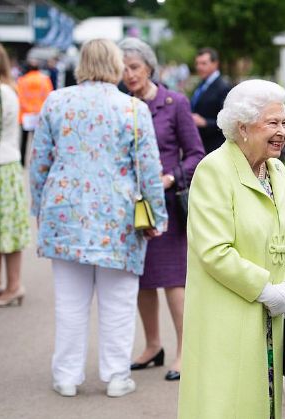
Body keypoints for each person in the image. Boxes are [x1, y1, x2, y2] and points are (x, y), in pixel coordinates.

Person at [29, 38, 168, 398]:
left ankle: (66, 376)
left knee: (70, 304)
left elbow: (40, 163)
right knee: (119, 303)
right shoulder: (133, 109)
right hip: (118, 219)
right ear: (117, 64)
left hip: (65, 215)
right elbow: (149, 169)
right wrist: (158, 215)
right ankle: (116, 375)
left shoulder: (56, 102)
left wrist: (39, 208)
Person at [178, 79, 285, 419]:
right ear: (242, 127)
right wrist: (263, 289)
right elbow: (214, 250)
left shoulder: (276, 170)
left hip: (270, 315)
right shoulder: (213, 170)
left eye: (284, 122)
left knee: (265, 402)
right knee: (227, 403)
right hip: (228, 315)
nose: (283, 131)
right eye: (273, 123)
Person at [119, 37, 205, 382]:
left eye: (135, 67)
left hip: (166, 205)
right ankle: (153, 345)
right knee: (141, 280)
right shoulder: (120, 104)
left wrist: (171, 178)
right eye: (123, 68)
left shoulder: (175, 103)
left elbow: (196, 153)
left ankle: (185, 351)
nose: (129, 74)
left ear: (150, 68)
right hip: (130, 206)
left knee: (172, 280)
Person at [0, 43, 30, 307]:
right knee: (8, 230)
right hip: (9, 162)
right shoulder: (10, 89)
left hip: (1, 164)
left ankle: (11, 285)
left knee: (4, 230)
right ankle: (12, 284)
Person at [190, 47, 231, 154]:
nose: (199, 67)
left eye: (203, 63)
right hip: (201, 145)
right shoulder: (201, 85)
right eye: (197, 63)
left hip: (215, 148)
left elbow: (229, 121)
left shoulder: (223, 87)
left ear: (215, 64)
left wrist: (205, 123)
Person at [16, 56, 52, 166]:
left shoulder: (22, 80)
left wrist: (28, 109)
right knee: (39, 141)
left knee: (24, 140)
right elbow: (49, 95)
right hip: (39, 114)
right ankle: (37, 161)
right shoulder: (45, 80)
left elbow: (20, 97)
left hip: (25, 114)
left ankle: (22, 162)